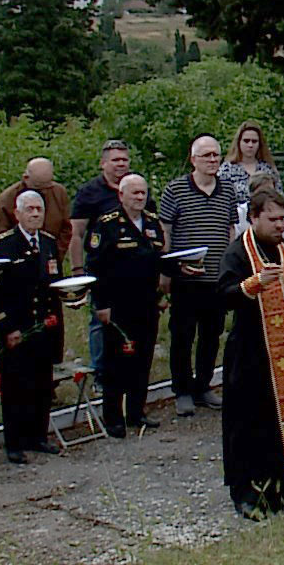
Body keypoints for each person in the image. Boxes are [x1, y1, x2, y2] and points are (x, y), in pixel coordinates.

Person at [217, 186, 284, 516]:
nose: (281, 225)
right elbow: (222, 295)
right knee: (252, 423)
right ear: (253, 218)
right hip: (251, 354)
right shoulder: (237, 252)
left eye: (283, 218)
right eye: (273, 219)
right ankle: (250, 495)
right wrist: (254, 284)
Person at [159, 135, 237, 415]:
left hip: (216, 278)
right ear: (193, 160)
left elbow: (230, 229)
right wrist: (167, 270)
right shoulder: (175, 190)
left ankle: (204, 386)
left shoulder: (227, 190)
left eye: (216, 155)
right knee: (182, 335)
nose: (212, 160)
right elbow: (165, 231)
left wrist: (230, 268)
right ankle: (182, 390)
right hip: (185, 278)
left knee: (211, 335)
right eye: (206, 156)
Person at [86, 174, 167, 438]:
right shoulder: (107, 225)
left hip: (146, 302)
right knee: (115, 362)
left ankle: (136, 411)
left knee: (142, 358)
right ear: (121, 196)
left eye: (143, 193)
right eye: (134, 193)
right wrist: (101, 304)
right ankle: (113, 417)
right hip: (117, 304)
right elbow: (95, 268)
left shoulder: (153, 224)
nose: (140, 198)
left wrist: (162, 294)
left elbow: (158, 261)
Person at [0, 190, 65, 461]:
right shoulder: (2, 245)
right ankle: (15, 442)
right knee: (16, 386)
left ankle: (38, 436)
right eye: (29, 209)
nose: (35, 214)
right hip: (17, 328)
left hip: (45, 327)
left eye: (39, 210)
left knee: (43, 384)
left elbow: (55, 287)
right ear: (17, 214)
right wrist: (6, 327)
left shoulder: (49, 243)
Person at [70, 140, 136, 380]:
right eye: (115, 160)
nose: (121, 164)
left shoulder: (136, 187)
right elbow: (76, 233)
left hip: (133, 268)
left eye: (124, 159)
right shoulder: (90, 192)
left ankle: (130, 371)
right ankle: (101, 374)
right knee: (100, 321)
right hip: (102, 268)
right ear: (103, 163)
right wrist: (77, 271)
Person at [0, 156, 74, 242]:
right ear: (26, 178)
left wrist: (55, 252)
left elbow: (66, 229)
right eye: (39, 187)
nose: (44, 191)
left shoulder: (59, 192)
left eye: (47, 186)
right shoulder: (7, 198)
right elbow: (1, 234)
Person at [219, 120, 279, 201]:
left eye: (254, 141)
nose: (250, 145)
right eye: (246, 141)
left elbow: (279, 196)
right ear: (239, 142)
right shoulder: (227, 169)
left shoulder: (268, 169)